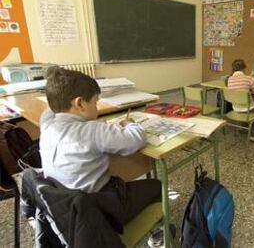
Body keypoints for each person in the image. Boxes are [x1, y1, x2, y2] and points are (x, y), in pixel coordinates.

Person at [39, 67, 162, 245]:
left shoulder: (47, 125)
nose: (97, 107)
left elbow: (48, 111)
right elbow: (134, 140)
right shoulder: (92, 130)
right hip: (100, 207)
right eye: (95, 103)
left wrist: (54, 86)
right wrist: (131, 124)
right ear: (79, 103)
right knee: (157, 185)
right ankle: (157, 235)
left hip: (65, 208)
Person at [227, 59, 254, 142]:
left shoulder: (229, 79)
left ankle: (243, 128)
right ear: (244, 69)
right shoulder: (248, 78)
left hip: (235, 107)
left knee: (244, 105)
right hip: (248, 108)